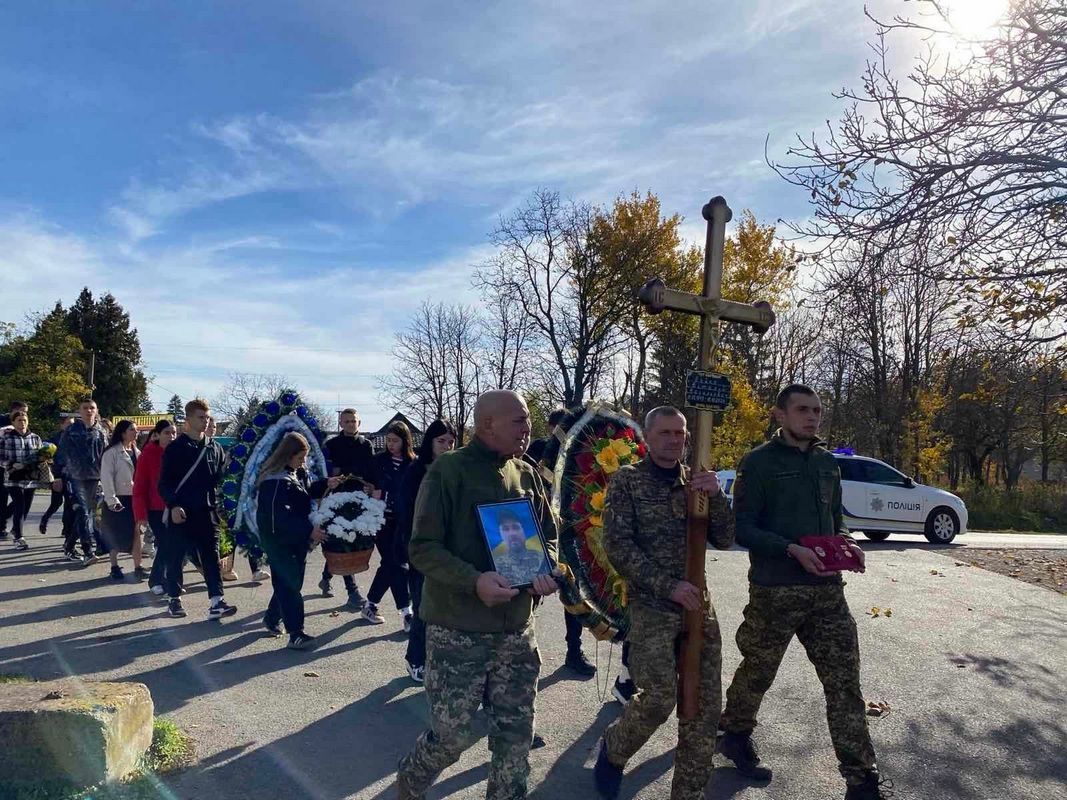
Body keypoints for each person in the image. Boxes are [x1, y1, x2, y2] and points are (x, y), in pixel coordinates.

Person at [718, 384, 888, 800]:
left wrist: (847, 542)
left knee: (844, 685)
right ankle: (736, 732)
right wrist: (790, 549)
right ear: (780, 415)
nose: (811, 417)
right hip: (776, 591)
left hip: (828, 592)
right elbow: (743, 528)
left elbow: (836, 519)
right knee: (758, 672)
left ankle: (861, 779)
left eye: (816, 410)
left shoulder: (828, 463)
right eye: (802, 410)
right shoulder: (758, 463)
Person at [397, 390, 560, 800]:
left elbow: (551, 539)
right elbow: (422, 548)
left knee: (516, 737)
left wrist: (548, 571)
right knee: (452, 736)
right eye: (520, 421)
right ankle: (411, 780)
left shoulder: (527, 474)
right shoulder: (448, 472)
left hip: (517, 632)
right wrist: (475, 581)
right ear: (487, 424)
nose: (529, 429)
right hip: (459, 631)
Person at [593, 406, 734, 800]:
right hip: (653, 605)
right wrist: (667, 585)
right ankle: (615, 748)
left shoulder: (698, 483)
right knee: (658, 699)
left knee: (705, 708)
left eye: (681, 433)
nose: (675, 440)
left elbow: (725, 539)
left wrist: (716, 496)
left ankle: (688, 793)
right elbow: (617, 546)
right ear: (649, 438)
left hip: (698, 607)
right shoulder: (628, 482)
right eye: (666, 433)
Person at [525, 407, 596, 678]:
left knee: (571, 592)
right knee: (532, 591)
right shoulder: (540, 449)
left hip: (572, 532)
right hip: (541, 530)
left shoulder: (581, 454)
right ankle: (520, 646)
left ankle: (573, 651)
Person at [257, 432, 343, 650]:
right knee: (289, 586)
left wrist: (326, 484)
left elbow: (304, 494)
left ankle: (271, 617)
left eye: (305, 457)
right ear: (288, 455)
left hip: (295, 540)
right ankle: (296, 633)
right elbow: (278, 518)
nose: (303, 462)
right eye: (300, 457)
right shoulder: (274, 481)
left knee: (290, 583)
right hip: (280, 542)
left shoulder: (294, 472)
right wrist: (308, 530)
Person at [158, 398, 236, 620]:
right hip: (181, 512)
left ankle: (216, 601)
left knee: (211, 556)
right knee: (176, 556)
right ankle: (174, 599)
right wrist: (172, 505)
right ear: (188, 419)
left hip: (207, 511)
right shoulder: (175, 448)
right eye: (201, 417)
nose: (206, 421)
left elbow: (223, 478)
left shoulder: (214, 448)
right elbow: (164, 483)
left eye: (208, 417)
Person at [396, 418, 457, 683]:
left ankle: (438, 658)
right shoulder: (416, 471)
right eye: (441, 441)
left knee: (444, 610)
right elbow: (406, 512)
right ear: (430, 442)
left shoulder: (455, 469)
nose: (446, 446)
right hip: (422, 548)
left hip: (450, 550)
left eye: (451, 442)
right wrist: (411, 549)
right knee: (423, 607)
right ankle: (415, 659)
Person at [319, 408, 377, 608]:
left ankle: (326, 576)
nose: (351, 424)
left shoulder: (366, 444)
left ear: (359, 423)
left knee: (348, 541)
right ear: (341, 424)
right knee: (342, 539)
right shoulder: (332, 445)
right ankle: (352, 592)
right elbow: (326, 471)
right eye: (347, 421)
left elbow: (370, 471)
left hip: (360, 499)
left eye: (354, 421)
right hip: (337, 499)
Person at [363, 420, 414, 626]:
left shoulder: (413, 463)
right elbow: (367, 487)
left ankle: (370, 605)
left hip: (403, 521)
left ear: (405, 441)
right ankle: (406, 613)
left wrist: (384, 494)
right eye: (388, 440)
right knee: (397, 564)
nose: (391, 444)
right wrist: (370, 492)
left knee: (391, 565)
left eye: (395, 440)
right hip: (381, 522)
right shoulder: (377, 462)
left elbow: (409, 492)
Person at [56, 398, 107, 565]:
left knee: (84, 514)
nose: (89, 411)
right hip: (75, 476)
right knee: (83, 511)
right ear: (80, 411)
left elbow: (105, 455)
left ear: (97, 410)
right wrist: (59, 475)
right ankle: (88, 551)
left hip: (94, 477)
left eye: (92, 408)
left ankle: (69, 546)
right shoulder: (71, 430)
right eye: (85, 408)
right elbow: (61, 454)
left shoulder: (101, 431)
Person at [136, 420, 179, 597]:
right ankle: (156, 580)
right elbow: (139, 485)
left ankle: (168, 580)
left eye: (174, 433)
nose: (171, 436)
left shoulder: (179, 454)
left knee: (171, 545)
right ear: (158, 435)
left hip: (175, 506)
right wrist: (141, 514)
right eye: (167, 433)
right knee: (166, 543)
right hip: (155, 508)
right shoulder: (148, 455)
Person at [99, 420, 144, 581]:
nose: (136, 432)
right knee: (116, 534)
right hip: (118, 498)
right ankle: (114, 566)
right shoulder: (111, 453)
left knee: (136, 532)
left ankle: (138, 566)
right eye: (132, 429)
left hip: (134, 497)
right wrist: (112, 500)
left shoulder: (136, 451)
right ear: (123, 433)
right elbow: (106, 477)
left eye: (136, 429)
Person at [0, 409, 44, 551]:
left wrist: (44, 460)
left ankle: (16, 529)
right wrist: (10, 464)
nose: (22, 423)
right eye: (19, 420)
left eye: (24, 420)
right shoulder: (6, 438)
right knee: (19, 505)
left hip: (30, 477)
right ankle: (19, 537)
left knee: (25, 507)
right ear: (13, 422)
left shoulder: (35, 438)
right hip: (13, 477)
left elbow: (41, 455)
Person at [39, 413, 75, 538]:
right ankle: (45, 518)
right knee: (56, 502)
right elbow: (50, 460)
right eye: (69, 424)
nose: (71, 427)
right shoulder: (54, 440)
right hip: (58, 475)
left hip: (72, 476)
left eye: (73, 425)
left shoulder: (75, 439)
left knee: (69, 503)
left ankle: (66, 528)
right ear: (62, 425)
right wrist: (56, 477)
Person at [491, 509, 548, 587]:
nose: (512, 533)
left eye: (516, 527)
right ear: (501, 535)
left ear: (524, 531)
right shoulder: (496, 565)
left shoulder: (543, 559)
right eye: (505, 529)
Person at [0, 400, 29, 540]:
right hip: (4, 464)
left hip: (20, 467)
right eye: (23, 411)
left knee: (21, 498)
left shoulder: (22, 422)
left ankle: (4, 517)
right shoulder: (2, 421)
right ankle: (2, 526)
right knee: (2, 496)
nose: (24, 415)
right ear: (14, 410)